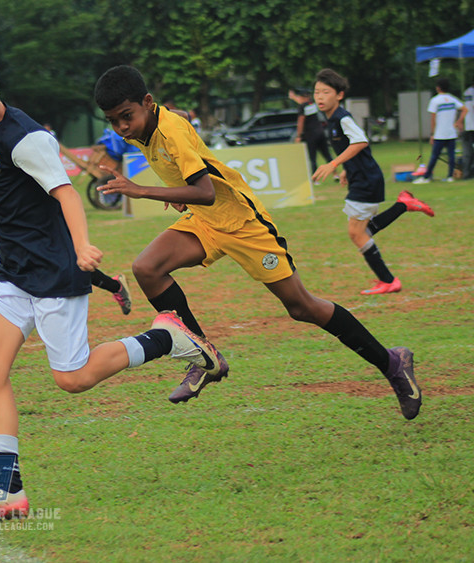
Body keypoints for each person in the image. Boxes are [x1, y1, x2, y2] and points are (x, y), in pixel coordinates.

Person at [0, 43, 227, 521]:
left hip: (54, 274)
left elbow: (67, 195)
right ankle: (7, 493)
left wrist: (82, 247)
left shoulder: (28, 140)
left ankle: (166, 337)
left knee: (71, 379)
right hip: (13, 275)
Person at [93, 64, 422, 423]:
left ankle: (392, 362)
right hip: (205, 222)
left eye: (126, 116)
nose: (122, 127)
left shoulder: (167, 130)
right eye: (114, 121)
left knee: (302, 307)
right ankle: (205, 357)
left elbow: (203, 190)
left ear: (147, 102)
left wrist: (142, 190)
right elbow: (183, 117)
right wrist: (176, 184)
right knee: (147, 268)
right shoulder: (152, 122)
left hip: (242, 222)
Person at [310, 68, 434, 295]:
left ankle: (388, 281)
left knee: (357, 233)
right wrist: (347, 169)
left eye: (325, 92)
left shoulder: (342, 118)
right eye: (317, 92)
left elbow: (360, 142)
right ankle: (404, 204)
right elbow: (353, 146)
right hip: (363, 177)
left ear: (339, 95)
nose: (319, 97)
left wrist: (333, 164)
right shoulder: (332, 120)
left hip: (366, 180)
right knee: (361, 230)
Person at [0, 172, 132, 317]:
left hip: (31, 213)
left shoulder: (16, 141)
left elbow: (0, 184)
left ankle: (115, 285)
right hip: (5, 215)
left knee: (62, 263)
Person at [413, 78, 467, 184]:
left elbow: (433, 119)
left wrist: (432, 134)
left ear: (438, 87)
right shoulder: (452, 99)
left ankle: (427, 177)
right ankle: (450, 176)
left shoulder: (435, 100)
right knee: (451, 156)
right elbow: (465, 109)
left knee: (435, 156)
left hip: (440, 134)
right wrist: (459, 121)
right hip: (451, 133)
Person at [288, 87, 333, 173]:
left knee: (312, 157)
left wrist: (299, 135)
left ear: (302, 97)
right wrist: (293, 97)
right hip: (321, 132)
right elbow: (303, 104)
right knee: (327, 155)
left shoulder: (303, 107)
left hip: (310, 135)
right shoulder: (313, 104)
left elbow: (300, 122)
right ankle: (335, 174)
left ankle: (315, 177)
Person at [463, 78, 474, 179]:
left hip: (468, 124)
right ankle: (468, 172)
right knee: (469, 151)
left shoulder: (466, 91)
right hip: (472, 125)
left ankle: (467, 172)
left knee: (468, 151)